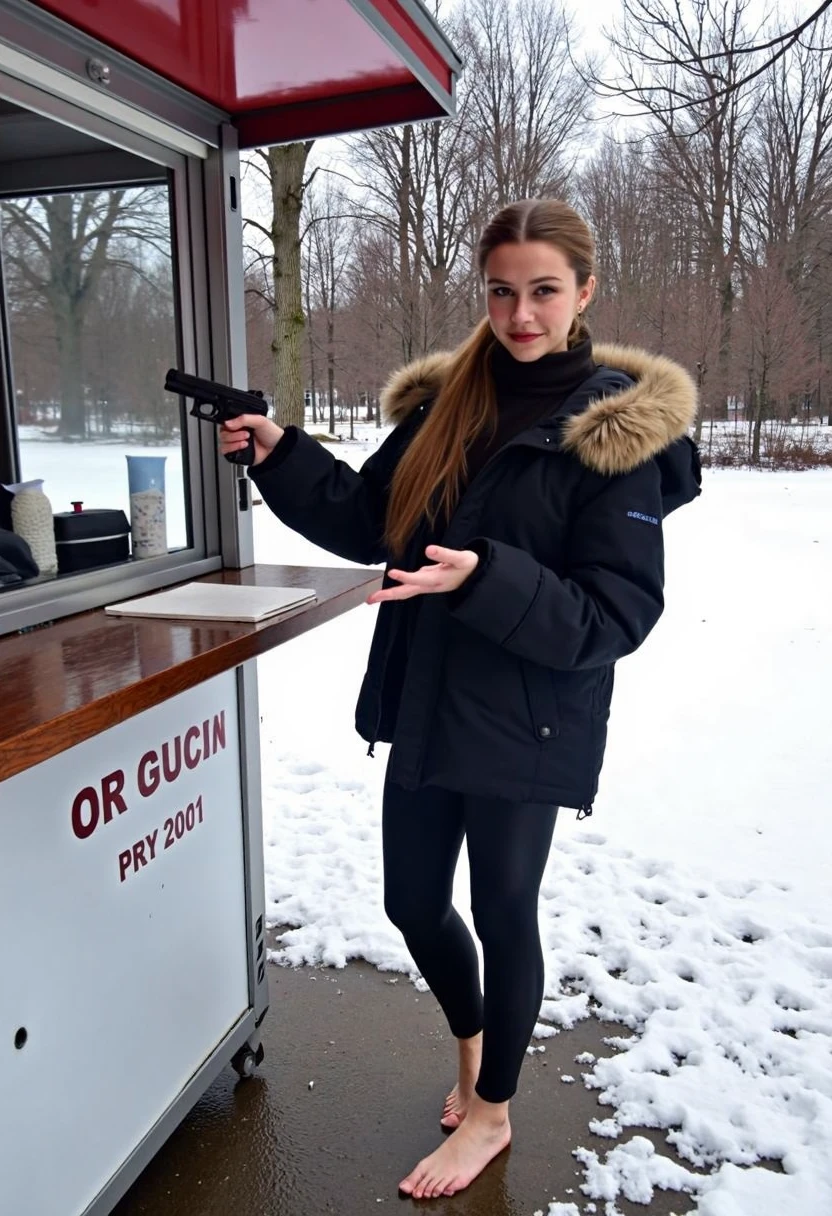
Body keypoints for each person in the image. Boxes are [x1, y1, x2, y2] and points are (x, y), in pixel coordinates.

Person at [220, 198, 701, 1200]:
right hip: (431, 696)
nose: (519, 314)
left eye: (542, 291)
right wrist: (280, 451)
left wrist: (483, 579)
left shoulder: (615, 433)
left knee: (502, 906)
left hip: (531, 711)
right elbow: (367, 518)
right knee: (409, 901)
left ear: (584, 291)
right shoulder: (453, 402)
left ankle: (489, 1110)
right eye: (499, 291)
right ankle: (478, 1045)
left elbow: (615, 613)